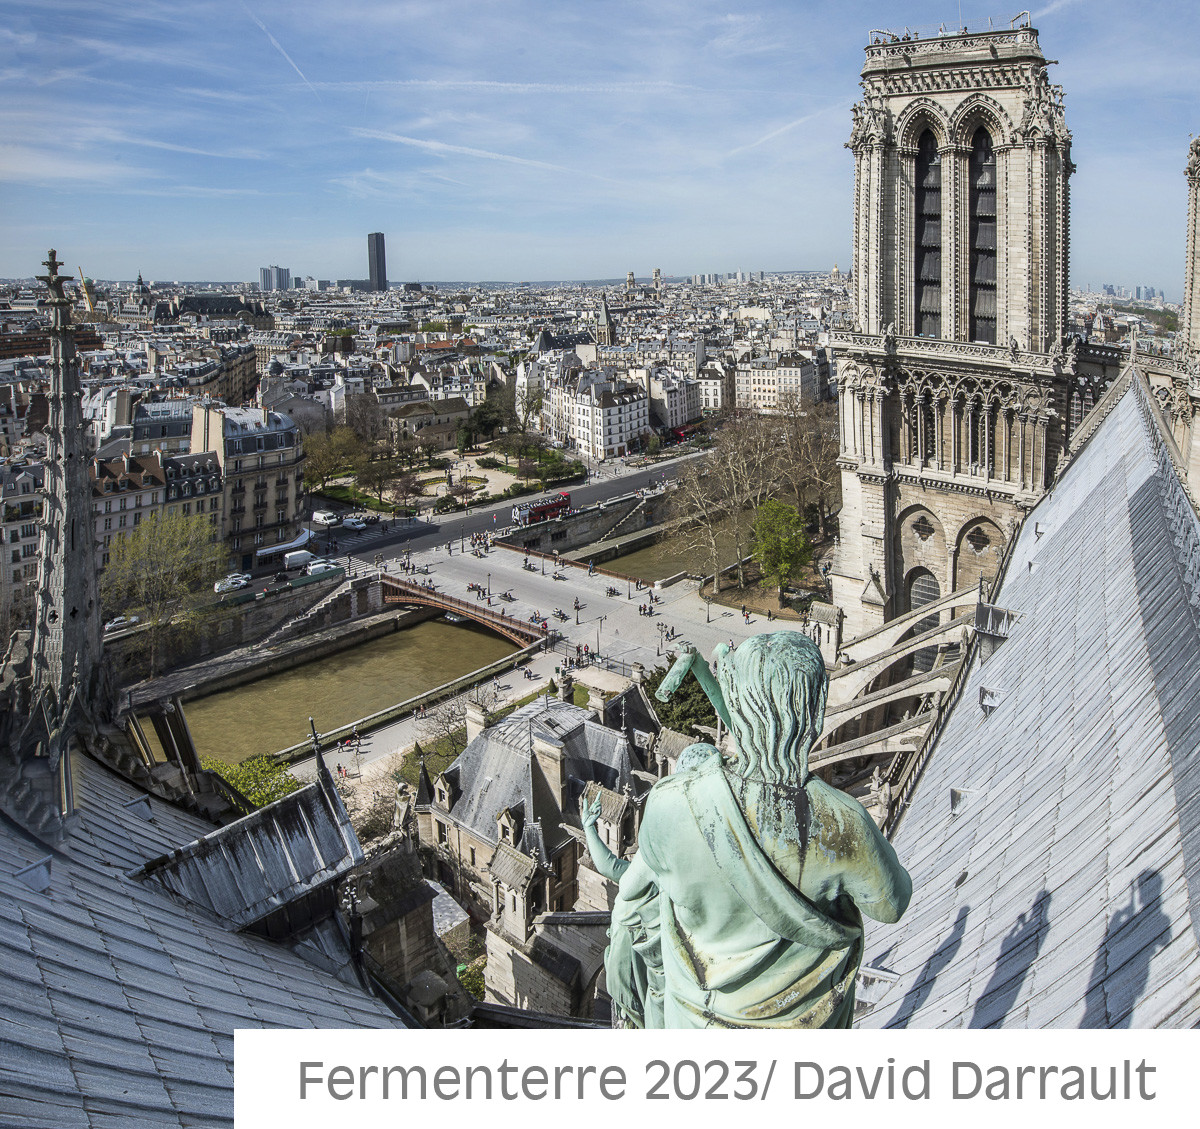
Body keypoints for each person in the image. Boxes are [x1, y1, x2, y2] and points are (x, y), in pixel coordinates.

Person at [605, 633, 911, 1029]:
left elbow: (633, 898)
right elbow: (891, 905)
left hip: (695, 1025)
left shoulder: (670, 802)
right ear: (817, 708)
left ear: (734, 702)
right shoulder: (844, 824)